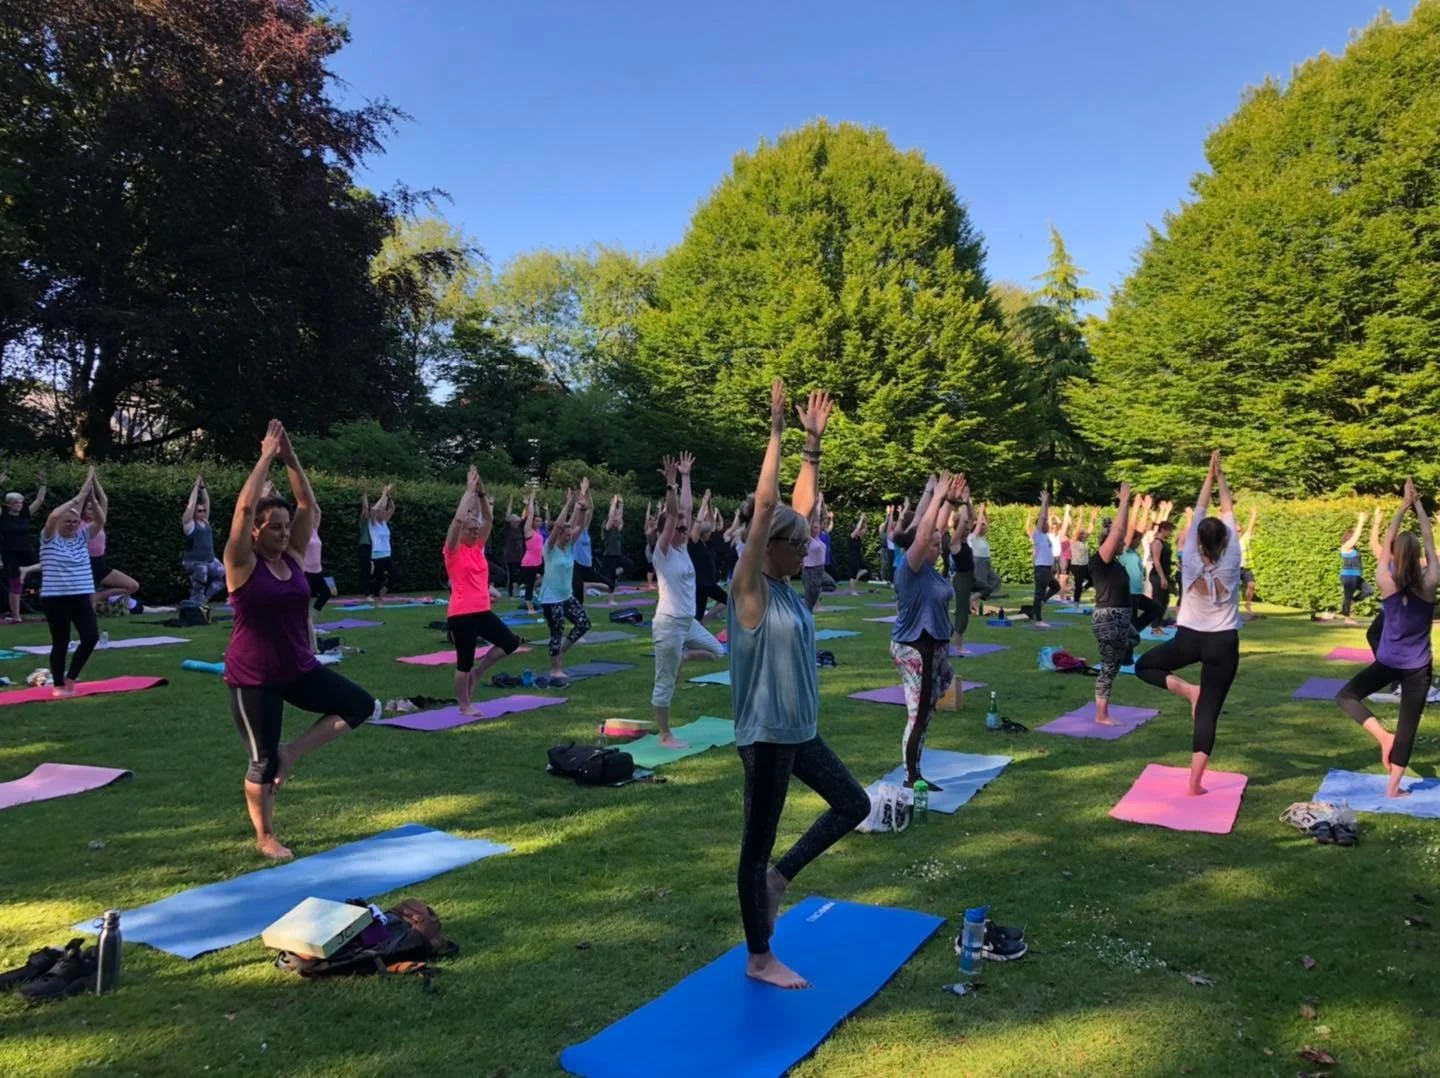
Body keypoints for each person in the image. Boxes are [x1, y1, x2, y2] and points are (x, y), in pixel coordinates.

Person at [730, 379, 869, 990]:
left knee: (853, 803)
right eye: (801, 545)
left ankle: (780, 879)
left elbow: (797, 512)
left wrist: (813, 447)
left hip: (800, 732)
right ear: (774, 550)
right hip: (765, 737)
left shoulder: (785, 583)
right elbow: (768, 511)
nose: (810, 548)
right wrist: (779, 433)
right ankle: (760, 957)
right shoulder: (751, 591)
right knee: (753, 844)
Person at [223, 420, 380, 861]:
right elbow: (241, 510)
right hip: (253, 678)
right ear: (256, 530)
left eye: (285, 525)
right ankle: (265, 835)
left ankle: (293, 752)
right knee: (261, 763)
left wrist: (290, 458)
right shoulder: (240, 563)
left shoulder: (292, 559)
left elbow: (308, 503)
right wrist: (265, 457)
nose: (282, 531)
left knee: (360, 705)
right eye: (273, 526)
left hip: (298, 668)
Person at [1136, 452, 1242, 796]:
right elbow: (1227, 512)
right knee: (1208, 711)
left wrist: (1208, 479)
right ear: (1225, 540)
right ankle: (1194, 784)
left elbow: (1201, 511)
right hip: (1223, 643)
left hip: (1189, 639)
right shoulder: (1234, 555)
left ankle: (1187, 690)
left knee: (1143, 666)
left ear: (1198, 539)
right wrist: (1221, 477)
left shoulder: (1189, 555)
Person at [1334, 479, 1436, 798]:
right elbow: (1432, 545)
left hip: (1389, 661)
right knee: (1408, 725)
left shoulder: (1384, 580)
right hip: (1418, 667)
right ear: (1417, 555)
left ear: (1394, 555)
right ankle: (1394, 788)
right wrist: (1419, 507)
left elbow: (1387, 542)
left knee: (1346, 696)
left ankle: (1382, 736)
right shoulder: (1430, 581)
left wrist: (1401, 507)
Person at [892, 473, 962, 788]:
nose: (938, 547)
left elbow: (935, 529)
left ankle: (914, 769)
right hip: (915, 648)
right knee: (917, 716)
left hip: (932, 647)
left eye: (938, 544)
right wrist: (936, 497)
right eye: (934, 545)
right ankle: (911, 777)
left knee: (926, 711)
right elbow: (923, 536)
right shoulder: (911, 568)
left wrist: (948, 500)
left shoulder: (930, 572)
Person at [651, 452, 726, 748]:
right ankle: (665, 734)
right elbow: (673, 514)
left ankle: (684, 656)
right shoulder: (664, 551)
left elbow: (684, 508)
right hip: (669, 624)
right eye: (679, 529)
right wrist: (670, 485)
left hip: (688, 623)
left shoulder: (683, 549)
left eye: (685, 528)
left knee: (716, 651)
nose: (684, 531)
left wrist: (685, 477)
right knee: (665, 682)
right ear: (666, 532)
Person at [444, 466, 524, 712]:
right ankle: (464, 704)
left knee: (510, 643)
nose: (475, 531)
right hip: (461, 614)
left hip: (482, 610)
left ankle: (479, 672)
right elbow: (458, 520)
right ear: (462, 533)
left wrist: (481, 493)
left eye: (476, 530)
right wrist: (468, 490)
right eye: (471, 529)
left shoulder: (477, 550)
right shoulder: (453, 552)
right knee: (463, 662)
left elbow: (488, 519)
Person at [39, 468, 103, 696]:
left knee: (91, 637)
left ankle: (71, 677)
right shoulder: (49, 539)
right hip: (55, 598)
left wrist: (93, 497)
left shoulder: (82, 538)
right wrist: (80, 495)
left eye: (76, 521)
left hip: (80, 596)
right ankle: (58, 685)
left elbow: (100, 519)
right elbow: (54, 516)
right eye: (69, 521)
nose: (73, 524)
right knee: (61, 641)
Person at [537, 483, 593, 686]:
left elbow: (578, 525)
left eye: (571, 536)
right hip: (551, 599)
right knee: (556, 632)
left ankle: (560, 650)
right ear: (559, 534)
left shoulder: (569, 547)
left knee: (583, 624)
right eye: (566, 535)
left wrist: (582, 506)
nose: (570, 537)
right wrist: (569, 503)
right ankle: (556, 669)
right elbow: (561, 525)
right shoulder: (550, 548)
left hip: (566, 596)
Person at [1090, 484, 1133, 726]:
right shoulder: (1101, 560)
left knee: (1128, 645)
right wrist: (1124, 502)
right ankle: (1101, 715)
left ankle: (1102, 711)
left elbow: (1120, 530)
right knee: (1109, 667)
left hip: (1120, 620)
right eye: (1119, 540)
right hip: (1109, 620)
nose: (1123, 541)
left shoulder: (1114, 562)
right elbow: (1117, 531)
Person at [83, 473, 139, 613]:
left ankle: (98, 597)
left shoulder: (99, 523)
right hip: (84, 563)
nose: (94, 511)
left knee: (132, 585)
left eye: (94, 509)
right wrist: (86, 484)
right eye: (90, 508)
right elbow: (79, 501)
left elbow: (104, 500)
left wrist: (94, 480)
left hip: (99, 563)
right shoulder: (77, 523)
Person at [1, 468, 46, 623]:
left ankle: (50, 609)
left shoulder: (25, 513)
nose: (19, 504)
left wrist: (42, 483)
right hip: (10, 553)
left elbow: (39, 500)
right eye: (16, 502)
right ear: (8, 505)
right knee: (15, 582)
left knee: (46, 567)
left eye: (20, 502)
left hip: (26, 550)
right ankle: (16, 616)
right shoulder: (3, 516)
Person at [181, 475, 226, 607]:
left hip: (210, 560)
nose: (203, 512)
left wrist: (203, 487)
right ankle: (195, 603)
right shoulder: (189, 524)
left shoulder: (205, 521)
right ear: (194, 512)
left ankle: (204, 599)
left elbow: (207, 502)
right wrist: (195, 488)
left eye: (204, 511)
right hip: (195, 562)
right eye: (199, 511)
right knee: (201, 580)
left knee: (223, 577)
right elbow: (191, 505)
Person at [948, 486, 976, 653]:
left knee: (991, 585)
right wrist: (964, 502)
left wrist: (967, 501)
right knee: (963, 612)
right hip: (961, 578)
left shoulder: (966, 540)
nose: (967, 529)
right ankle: (958, 645)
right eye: (964, 527)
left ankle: (976, 596)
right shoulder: (955, 542)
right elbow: (965, 521)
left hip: (970, 577)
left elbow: (970, 520)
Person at [1026, 491, 1060, 627]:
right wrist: (1044, 502)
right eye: (1045, 523)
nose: (1048, 524)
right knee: (1038, 594)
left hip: (1046, 568)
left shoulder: (1046, 536)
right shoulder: (1038, 534)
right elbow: (1042, 517)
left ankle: (1040, 605)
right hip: (1041, 568)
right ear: (1040, 525)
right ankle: (1038, 620)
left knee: (1056, 587)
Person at [365, 484, 396, 601]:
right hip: (377, 554)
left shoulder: (384, 523)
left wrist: (388, 495)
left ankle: (382, 591)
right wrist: (383, 494)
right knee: (379, 578)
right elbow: (373, 510)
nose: (384, 512)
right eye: (382, 511)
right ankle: (372, 595)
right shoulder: (373, 524)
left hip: (387, 554)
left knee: (397, 575)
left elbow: (392, 508)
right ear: (378, 513)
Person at [1339, 511, 1369, 625]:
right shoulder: (1345, 547)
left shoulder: (1354, 549)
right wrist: (1361, 521)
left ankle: (1352, 602)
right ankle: (1347, 619)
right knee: (1348, 596)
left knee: (1368, 591)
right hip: (1348, 576)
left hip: (1356, 576)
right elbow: (1356, 536)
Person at [969, 506, 1001, 609]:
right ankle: (974, 604)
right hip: (978, 562)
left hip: (986, 562)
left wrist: (984, 513)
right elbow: (978, 525)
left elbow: (986, 524)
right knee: (981, 584)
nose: (983, 527)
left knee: (996, 580)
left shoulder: (982, 537)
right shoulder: (972, 537)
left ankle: (975, 599)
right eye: (981, 526)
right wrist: (980, 512)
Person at [518, 495, 544, 614]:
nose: (540, 523)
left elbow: (536, 514)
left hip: (539, 561)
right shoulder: (528, 531)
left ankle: (536, 594)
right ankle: (530, 608)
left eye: (540, 521)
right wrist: (531, 500)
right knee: (529, 585)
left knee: (547, 577)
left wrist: (536, 504)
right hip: (529, 562)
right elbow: (531, 514)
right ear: (532, 521)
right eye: (537, 521)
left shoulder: (537, 531)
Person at [1149, 519, 1176, 623]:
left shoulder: (1164, 543)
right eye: (1169, 530)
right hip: (1157, 576)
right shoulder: (1157, 542)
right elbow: (1156, 561)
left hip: (1164, 575)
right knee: (1158, 601)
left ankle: (1159, 622)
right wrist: (1162, 578)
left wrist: (1173, 563)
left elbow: (1164, 559)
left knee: (1165, 600)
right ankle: (1155, 625)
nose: (1170, 533)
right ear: (1163, 529)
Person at [1069, 510, 1096, 608]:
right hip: (1076, 566)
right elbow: (1076, 530)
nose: (1085, 534)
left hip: (1085, 565)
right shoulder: (1074, 542)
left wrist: (1093, 518)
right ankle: (1076, 603)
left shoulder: (1085, 542)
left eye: (1084, 533)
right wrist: (1080, 515)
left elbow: (1090, 529)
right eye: (1082, 533)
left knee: (1093, 579)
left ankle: (1083, 589)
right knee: (1078, 584)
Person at [502, 498, 526, 598]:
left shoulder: (519, 528)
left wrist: (526, 505)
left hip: (520, 556)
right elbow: (508, 516)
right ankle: (510, 593)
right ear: (511, 522)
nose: (517, 522)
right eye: (515, 521)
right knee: (511, 576)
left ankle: (519, 587)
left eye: (517, 521)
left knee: (524, 573)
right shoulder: (508, 529)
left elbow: (525, 516)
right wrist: (511, 502)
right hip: (510, 557)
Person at [1238, 507, 1259, 618]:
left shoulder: (1245, 538)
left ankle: (1247, 605)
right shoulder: (1228, 540)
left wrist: (1254, 514)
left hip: (1245, 567)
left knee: (1251, 585)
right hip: (1234, 568)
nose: (1237, 532)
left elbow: (1250, 526)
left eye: (1239, 530)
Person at [847, 513, 870, 595]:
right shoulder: (851, 537)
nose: (860, 531)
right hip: (853, 558)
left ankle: (856, 578)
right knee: (853, 575)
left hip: (859, 557)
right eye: (858, 530)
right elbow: (857, 528)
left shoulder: (858, 538)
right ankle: (853, 591)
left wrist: (864, 520)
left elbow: (865, 529)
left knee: (866, 569)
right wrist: (861, 518)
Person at [356, 490, 373, 595]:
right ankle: (366, 593)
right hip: (364, 546)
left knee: (374, 571)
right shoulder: (364, 522)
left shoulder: (375, 524)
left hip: (373, 548)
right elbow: (365, 509)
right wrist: (365, 495)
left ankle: (372, 591)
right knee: (366, 571)